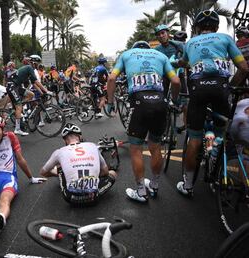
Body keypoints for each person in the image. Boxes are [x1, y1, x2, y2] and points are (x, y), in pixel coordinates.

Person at [177, 10, 249, 197]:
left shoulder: (190, 42)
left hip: (198, 91)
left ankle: (188, 186)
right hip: (221, 89)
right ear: (216, 27)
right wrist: (231, 88)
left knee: (194, 139)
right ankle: (216, 158)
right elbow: (243, 68)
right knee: (221, 133)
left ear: (198, 27)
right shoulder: (225, 38)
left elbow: (184, 64)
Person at [106, 40, 181, 202]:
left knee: (136, 149)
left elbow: (112, 79)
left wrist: (110, 103)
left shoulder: (126, 55)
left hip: (139, 103)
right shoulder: (160, 55)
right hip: (160, 103)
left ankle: (141, 192)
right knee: (155, 147)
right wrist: (174, 101)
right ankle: (154, 186)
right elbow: (175, 81)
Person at [40, 123, 117, 206]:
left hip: (70, 198)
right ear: (80, 137)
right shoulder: (93, 146)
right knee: (113, 173)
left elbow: (43, 172)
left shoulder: (59, 152)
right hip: (93, 197)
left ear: (65, 141)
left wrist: (59, 173)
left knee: (60, 165)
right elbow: (105, 172)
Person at [5, 57, 48, 136]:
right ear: (33, 63)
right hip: (12, 86)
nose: (38, 66)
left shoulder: (29, 69)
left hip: (16, 87)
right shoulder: (29, 68)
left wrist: (42, 92)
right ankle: (17, 129)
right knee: (19, 106)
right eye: (37, 64)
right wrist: (47, 91)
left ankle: (19, 109)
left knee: (31, 94)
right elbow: (36, 81)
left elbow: (34, 83)